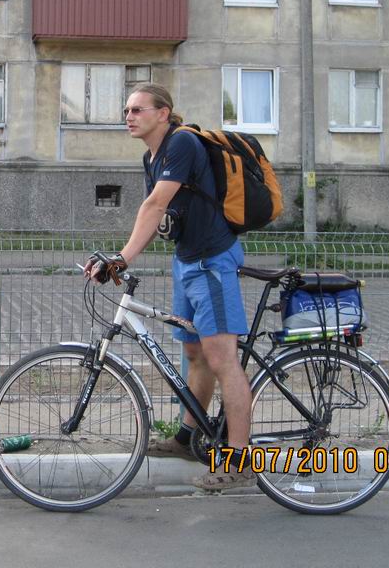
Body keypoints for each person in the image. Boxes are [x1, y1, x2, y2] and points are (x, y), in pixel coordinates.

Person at [83, 83, 255, 492]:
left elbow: (154, 204)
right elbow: (157, 216)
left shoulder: (181, 144)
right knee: (194, 353)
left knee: (222, 359)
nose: (129, 116)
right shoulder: (152, 156)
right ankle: (186, 438)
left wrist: (122, 258)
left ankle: (239, 459)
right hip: (187, 261)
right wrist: (122, 258)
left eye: (137, 109)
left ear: (163, 113)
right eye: (126, 110)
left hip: (212, 261)